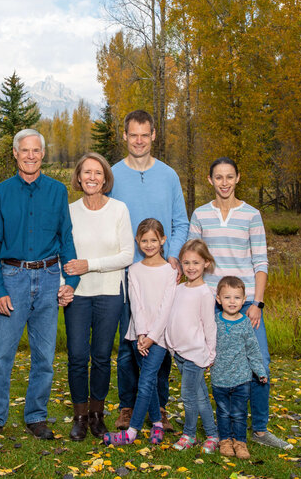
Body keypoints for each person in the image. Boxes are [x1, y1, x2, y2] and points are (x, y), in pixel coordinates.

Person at [0, 129, 79, 441]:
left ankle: (36, 415)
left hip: (49, 279)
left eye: (36, 151)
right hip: (13, 279)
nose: (31, 156)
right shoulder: (2, 193)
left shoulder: (58, 192)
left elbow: (67, 239)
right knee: (0, 356)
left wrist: (70, 280)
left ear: (43, 154)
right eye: (25, 150)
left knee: (44, 356)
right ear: (15, 153)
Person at [188, 157, 292, 450]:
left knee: (261, 364)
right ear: (210, 180)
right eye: (218, 177)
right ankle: (212, 429)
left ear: (238, 178)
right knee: (203, 362)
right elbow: (193, 259)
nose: (224, 182)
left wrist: (257, 302)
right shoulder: (200, 215)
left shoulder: (251, 214)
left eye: (229, 177)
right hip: (210, 303)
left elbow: (261, 261)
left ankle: (259, 430)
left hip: (245, 305)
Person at [108, 109, 189, 431]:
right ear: (124, 136)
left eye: (145, 134)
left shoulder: (168, 175)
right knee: (128, 343)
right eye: (133, 134)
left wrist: (173, 257)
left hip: (162, 276)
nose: (139, 140)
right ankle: (127, 407)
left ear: (154, 135)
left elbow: (180, 221)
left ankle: (160, 407)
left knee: (161, 342)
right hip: (127, 275)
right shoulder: (113, 175)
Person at [62, 152, 134, 440]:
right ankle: (79, 417)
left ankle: (97, 415)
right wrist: (64, 284)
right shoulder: (69, 210)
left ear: (106, 178)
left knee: (102, 357)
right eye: (87, 172)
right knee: (78, 356)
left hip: (109, 293)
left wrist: (89, 265)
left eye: (98, 173)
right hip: (78, 294)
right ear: (78, 177)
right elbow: (62, 253)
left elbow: (127, 255)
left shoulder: (119, 210)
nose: (92, 177)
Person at [103, 218, 176, 446]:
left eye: (154, 240)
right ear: (137, 241)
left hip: (160, 337)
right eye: (144, 240)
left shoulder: (171, 271)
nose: (149, 244)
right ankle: (156, 424)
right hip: (138, 335)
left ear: (163, 240)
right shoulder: (133, 270)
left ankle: (132, 432)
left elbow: (166, 307)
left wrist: (153, 335)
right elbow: (136, 303)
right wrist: (142, 334)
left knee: (145, 381)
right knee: (148, 380)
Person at [165, 239, 219, 453]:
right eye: (186, 263)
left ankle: (189, 435)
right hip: (179, 352)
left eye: (196, 263)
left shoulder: (205, 293)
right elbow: (173, 317)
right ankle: (213, 434)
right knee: (200, 396)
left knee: (188, 396)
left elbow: (209, 325)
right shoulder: (179, 289)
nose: (191, 267)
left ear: (206, 263)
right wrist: (170, 345)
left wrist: (210, 354)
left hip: (196, 354)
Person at [211, 275, 268, 459]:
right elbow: (207, 344)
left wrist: (260, 371)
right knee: (223, 412)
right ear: (218, 299)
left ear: (244, 300)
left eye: (236, 298)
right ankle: (225, 440)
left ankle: (240, 442)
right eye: (227, 297)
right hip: (219, 378)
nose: (232, 302)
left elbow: (252, 349)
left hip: (241, 379)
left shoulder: (245, 323)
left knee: (239, 413)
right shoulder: (214, 322)